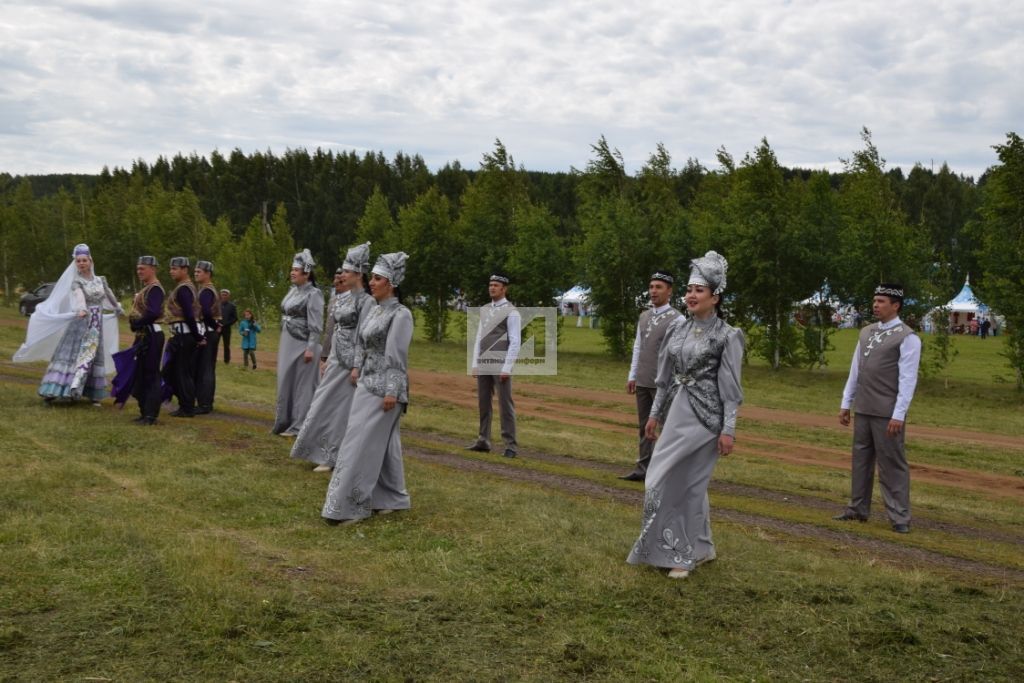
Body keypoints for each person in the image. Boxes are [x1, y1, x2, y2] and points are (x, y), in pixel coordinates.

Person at [627, 251, 743, 580]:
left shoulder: (727, 336)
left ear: (715, 297)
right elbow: (664, 380)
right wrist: (654, 415)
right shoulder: (677, 330)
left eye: (699, 290)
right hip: (677, 413)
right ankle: (702, 546)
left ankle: (683, 555)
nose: (691, 296)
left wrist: (728, 430)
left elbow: (732, 389)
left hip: (708, 421)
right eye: (689, 290)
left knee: (692, 487)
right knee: (658, 479)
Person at [322, 251, 413, 525]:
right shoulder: (374, 309)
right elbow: (362, 343)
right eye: (371, 277)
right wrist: (357, 369)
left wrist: (391, 392)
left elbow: (397, 356)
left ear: (392, 283)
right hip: (365, 385)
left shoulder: (401, 314)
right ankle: (393, 498)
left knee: (360, 446)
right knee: (382, 446)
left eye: (377, 278)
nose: (371, 282)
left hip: (384, 391)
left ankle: (349, 505)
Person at [835, 283, 921, 534]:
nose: (876, 304)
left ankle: (899, 516)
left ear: (896, 306)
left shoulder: (908, 338)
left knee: (892, 465)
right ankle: (857, 508)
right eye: (875, 300)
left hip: (887, 412)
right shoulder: (866, 332)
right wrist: (846, 402)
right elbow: (855, 370)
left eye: (882, 301)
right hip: (863, 407)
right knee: (860, 461)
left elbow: (908, 379)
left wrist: (899, 414)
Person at [293, 242, 374, 471]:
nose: (343, 275)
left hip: (351, 364)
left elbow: (362, 337)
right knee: (322, 403)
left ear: (358, 274)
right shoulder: (343, 298)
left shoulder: (366, 302)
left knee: (341, 410)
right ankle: (316, 449)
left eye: (347, 271)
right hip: (337, 359)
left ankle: (332, 456)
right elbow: (333, 328)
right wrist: (327, 356)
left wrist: (357, 366)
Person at [13, 243, 123, 403]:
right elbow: (78, 297)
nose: (81, 263)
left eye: (84, 260)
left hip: (96, 325)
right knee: (74, 355)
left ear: (90, 261)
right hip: (81, 323)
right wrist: (81, 309)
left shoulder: (101, 280)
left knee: (92, 356)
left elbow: (110, 296)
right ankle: (56, 390)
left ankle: (92, 394)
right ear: (76, 263)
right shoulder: (77, 282)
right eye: (78, 261)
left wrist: (117, 308)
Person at [621, 271, 681, 482]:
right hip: (644, 379)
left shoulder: (677, 319)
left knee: (666, 427)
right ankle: (643, 467)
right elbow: (638, 346)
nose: (653, 291)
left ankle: (667, 471)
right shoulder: (644, 315)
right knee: (644, 426)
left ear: (670, 291)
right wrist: (633, 374)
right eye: (651, 286)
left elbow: (677, 355)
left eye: (659, 287)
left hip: (664, 383)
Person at [466, 273, 521, 458]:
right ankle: (483, 440)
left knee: (505, 405)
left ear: (504, 289)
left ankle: (510, 446)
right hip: (484, 363)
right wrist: (475, 363)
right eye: (490, 284)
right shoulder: (485, 309)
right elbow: (479, 337)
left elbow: (515, 341)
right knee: (483, 403)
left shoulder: (512, 312)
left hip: (500, 363)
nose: (492, 288)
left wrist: (507, 367)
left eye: (496, 285)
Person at [272, 248, 324, 436]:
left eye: (296, 270)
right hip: (288, 341)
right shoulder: (293, 290)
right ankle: (285, 421)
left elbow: (316, 324)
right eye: (292, 269)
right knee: (286, 380)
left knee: (303, 386)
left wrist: (311, 347)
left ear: (306, 273)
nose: (292, 273)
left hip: (304, 344)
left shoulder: (314, 294)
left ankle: (299, 426)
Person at [111, 256, 166, 425]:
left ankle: (151, 415)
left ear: (153, 269)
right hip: (144, 334)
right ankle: (145, 412)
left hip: (152, 335)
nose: (139, 272)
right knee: (140, 374)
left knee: (150, 374)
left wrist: (138, 322)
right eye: (138, 269)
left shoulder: (155, 289)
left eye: (143, 268)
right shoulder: (147, 289)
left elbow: (153, 313)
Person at [162, 257, 203, 418]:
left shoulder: (184, 289)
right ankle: (185, 404)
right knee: (174, 371)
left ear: (185, 270)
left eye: (175, 268)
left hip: (184, 335)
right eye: (171, 268)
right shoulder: (185, 287)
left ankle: (187, 407)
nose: (171, 271)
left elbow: (189, 315)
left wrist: (197, 336)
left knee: (182, 372)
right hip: (182, 335)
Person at [193, 260, 221, 414]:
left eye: (199, 272)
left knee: (206, 368)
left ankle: (205, 403)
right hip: (210, 330)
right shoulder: (205, 289)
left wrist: (215, 326)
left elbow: (206, 313)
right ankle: (204, 401)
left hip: (208, 331)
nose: (196, 274)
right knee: (205, 367)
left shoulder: (206, 291)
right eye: (195, 271)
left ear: (208, 274)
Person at [219, 289, 238, 364]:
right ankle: (212, 358)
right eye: (222, 294)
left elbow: (235, 318)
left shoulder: (232, 306)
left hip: (226, 328)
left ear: (228, 296)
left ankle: (226, 360)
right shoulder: (217, 305)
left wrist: (226, 324)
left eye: (225, 295)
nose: (223, 296)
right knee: (214, 344)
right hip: (217, 328)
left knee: (226, 345)